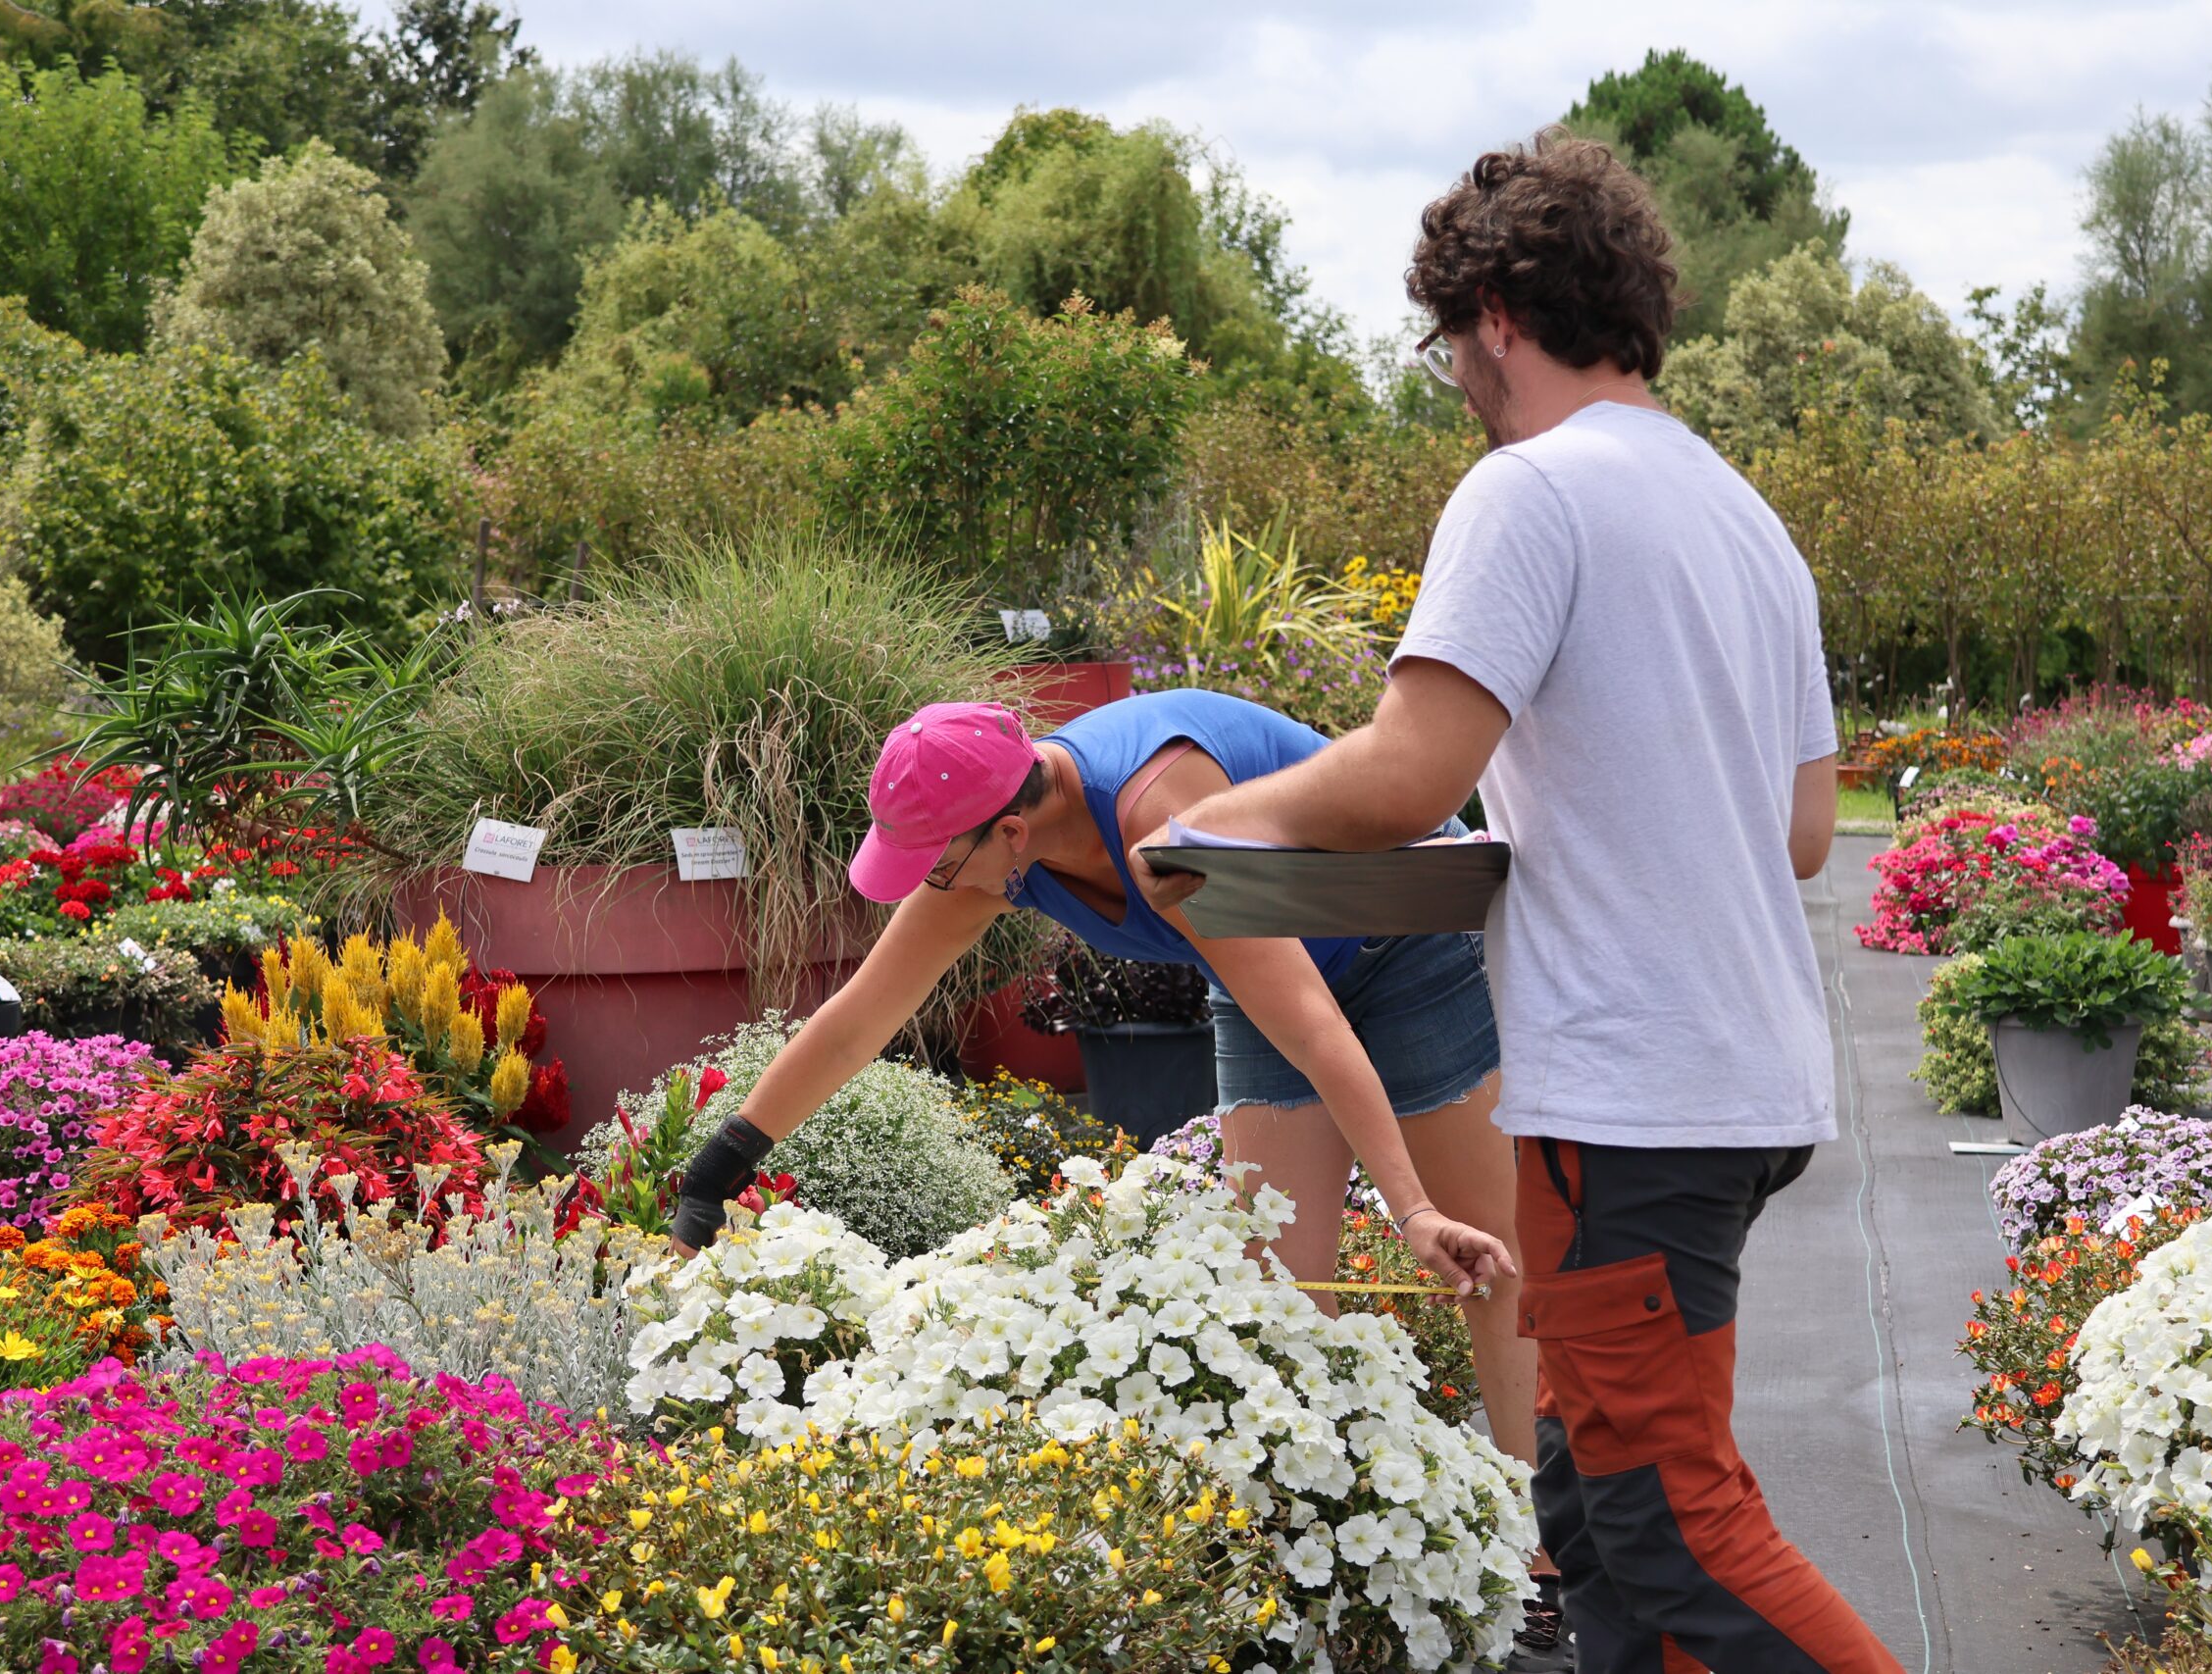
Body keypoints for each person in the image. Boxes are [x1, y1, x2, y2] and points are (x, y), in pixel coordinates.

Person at [1131, 130, 1901, 1674]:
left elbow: (1410, 770)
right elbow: (1808, 827)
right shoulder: (1746, 520)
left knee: (1675, 1519)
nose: (1457, 381)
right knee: (1594, 1498)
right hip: (1735, 1082)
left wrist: (1208, 828)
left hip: (1634, 1095)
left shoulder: (1530, 492)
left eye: (1445, 347)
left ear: (1492, 310)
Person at [665, 686, 1542, 1483]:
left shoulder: (1164, 814)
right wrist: (722, 1163)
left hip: (1401, 940)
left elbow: (1316, 1024)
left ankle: (1543, 1546)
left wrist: (1412, 1210)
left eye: (934, 864)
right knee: (1273, 1301)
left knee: (1487, 1256)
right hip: (1262, 972)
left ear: (1009, 831)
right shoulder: (998, 837)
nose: (930, 887)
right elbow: (859, 1021)